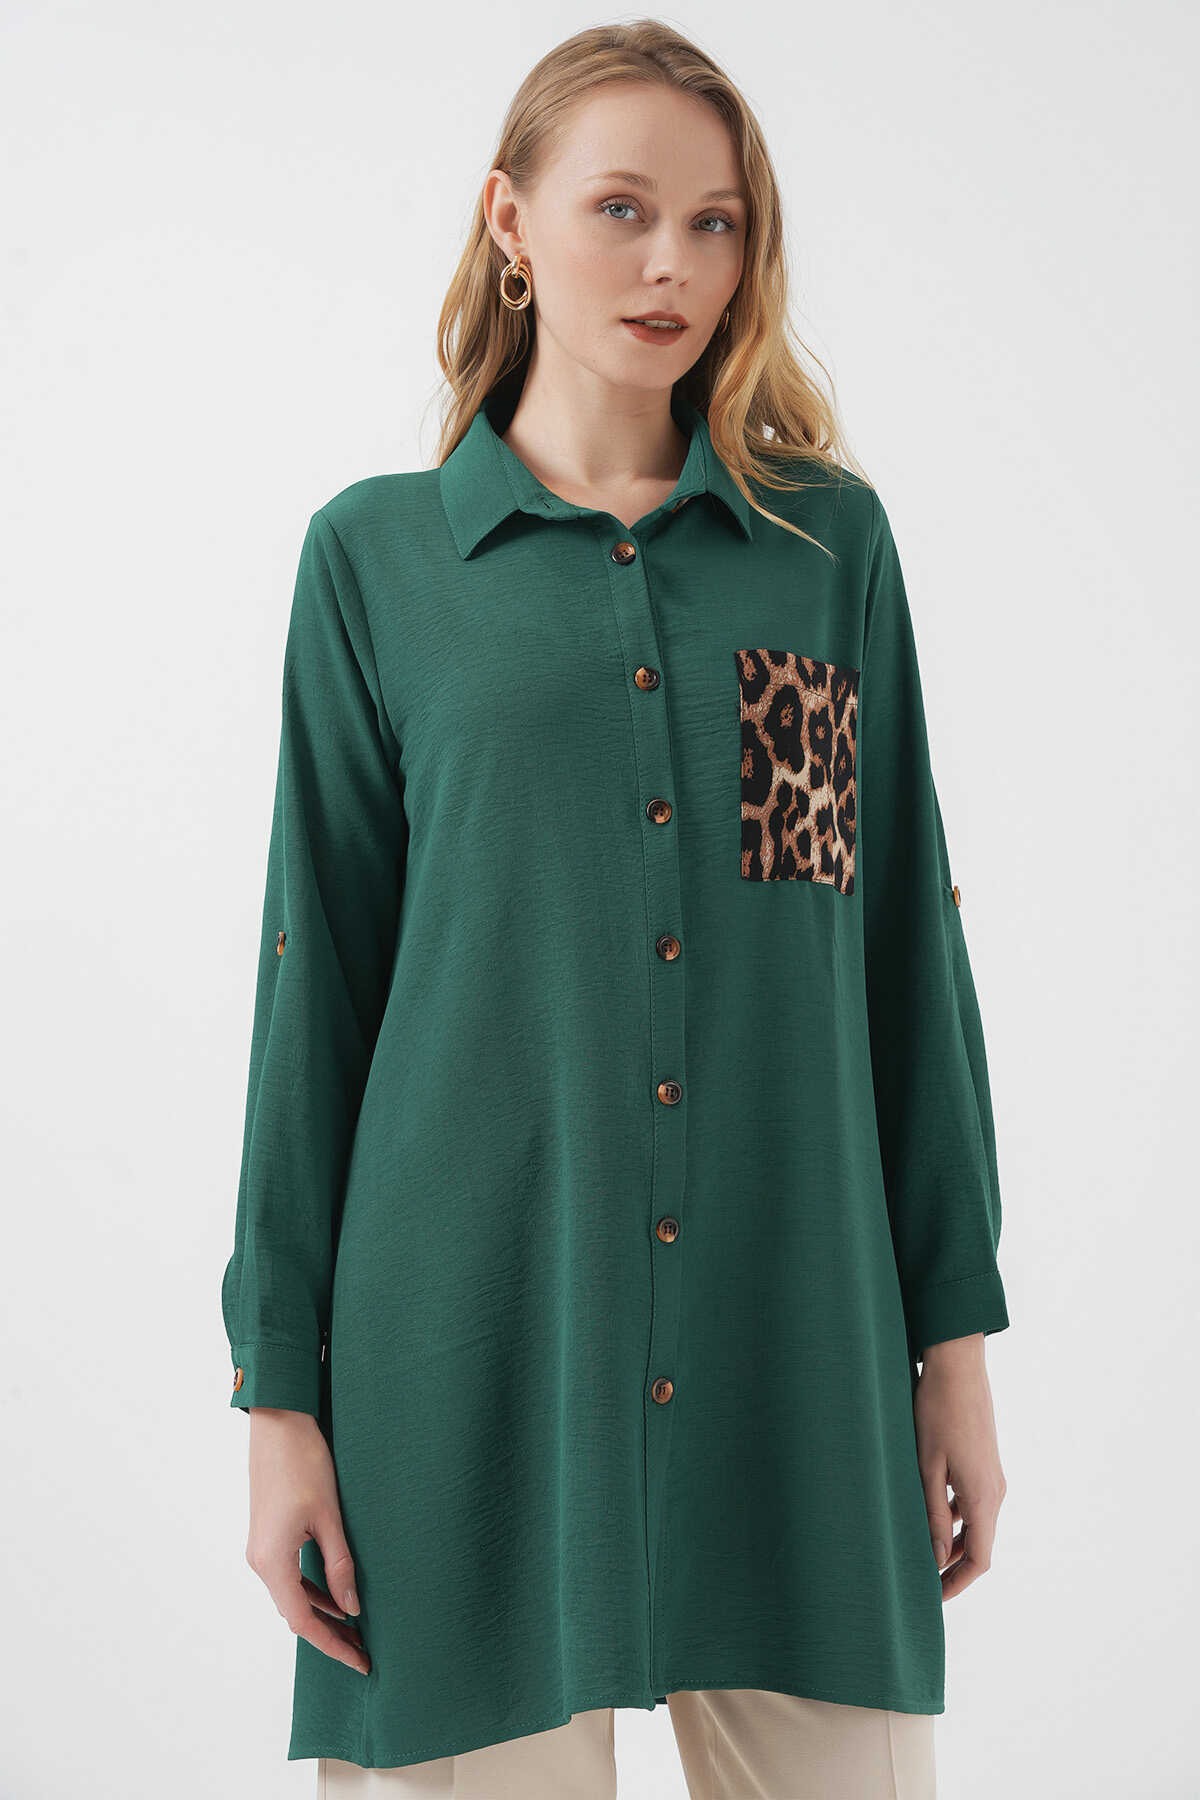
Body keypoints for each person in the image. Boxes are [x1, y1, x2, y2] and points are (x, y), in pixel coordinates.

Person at [221, 21, 1010, 1798]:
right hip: (467, 1362)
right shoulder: (377, 564)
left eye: (716, 224)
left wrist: (951, 1352)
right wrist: (281, 1401)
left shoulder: (824, 555)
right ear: (510, 221)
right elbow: (313, 989)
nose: (674, 266)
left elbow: (898, 963)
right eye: (623, 210)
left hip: (795, 1348)